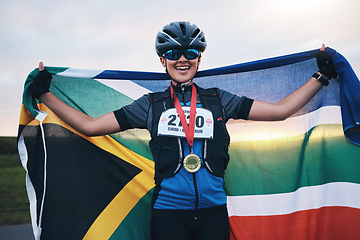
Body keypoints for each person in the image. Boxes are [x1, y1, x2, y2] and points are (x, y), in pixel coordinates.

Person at [32, 21, 337, 240]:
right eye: (174, 53)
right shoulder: (150, 104)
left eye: (190, 53)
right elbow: (90, 126)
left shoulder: (219, 99)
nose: (182, 59)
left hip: (213, 214)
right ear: (162, 60)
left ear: (199, 59)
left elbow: (281, 111)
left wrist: (321, 76)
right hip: (168, 215)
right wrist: (45, 94)